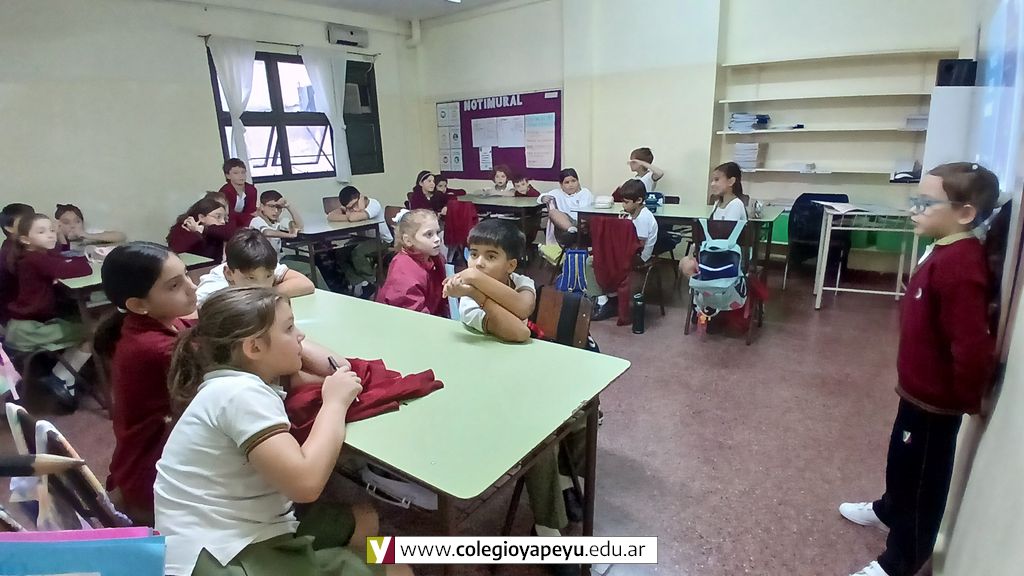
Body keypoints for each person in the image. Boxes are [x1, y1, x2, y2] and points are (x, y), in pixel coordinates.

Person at [155, 287, 410, 576]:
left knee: (365, 518)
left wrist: (290, 343)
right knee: (396, 566)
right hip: (223, 558)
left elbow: (337, 365)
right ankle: (413, 557)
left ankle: (376, 557)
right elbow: (306, 484)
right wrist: (335, 403)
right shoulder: (239, 394)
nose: (301, 335)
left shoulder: (234, 379)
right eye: (289, 328)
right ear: (254, 348)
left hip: (234, 534)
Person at [840, 162, 1000, 576]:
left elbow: (971, 345)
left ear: (965, 213)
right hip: (915, 390)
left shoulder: (962, 264)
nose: (915, 210)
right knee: (900, 460)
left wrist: (968, 399)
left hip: (936, 404)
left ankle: (901, 560)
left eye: (926, 203)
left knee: (923, 480)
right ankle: (889, 509)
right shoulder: (944, 248)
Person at [94, 242, 198, 526]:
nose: (192, 287)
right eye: (175, 285)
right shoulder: (155, 347)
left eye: (187, 274)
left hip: (144, 461)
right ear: (139, 305)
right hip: (154, 477)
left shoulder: (162, 323)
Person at [4, 213, 91, 410]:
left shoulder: (38, 255)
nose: (51, 235)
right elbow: (77, 269)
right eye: (41, 232)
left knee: (83, 323)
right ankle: (61, 376)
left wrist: (68, 257)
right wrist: (84, 261)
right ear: (25, 239)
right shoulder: (33, 259)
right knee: (93, 331)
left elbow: (62, 258)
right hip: (28, 331)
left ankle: (65, 377)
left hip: (28, 325)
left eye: (52, 230)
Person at [444, 219, 535, 343]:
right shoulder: (468, 300)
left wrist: (473, 275)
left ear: (511, 266)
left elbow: (523, 308)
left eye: (491, 257)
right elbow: (520, 333)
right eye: (474, 254)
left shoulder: (520, 281)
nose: (478, 263)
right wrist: (475, 294)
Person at [590, 180, 658, 321]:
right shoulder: (633, 214)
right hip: (631, 252)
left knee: (594, 262)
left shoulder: (644, 217)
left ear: (639, 200)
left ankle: (605, 301)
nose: (623, 205)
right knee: (601, 256)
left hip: (639, 257)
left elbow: (638, 246)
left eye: (626, 202)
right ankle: (610, 298)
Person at [195, 229, 313, 305]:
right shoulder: (212, 288)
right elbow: (195, 313)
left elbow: (306, 284)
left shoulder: (261, 263)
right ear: (229, 274)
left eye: (268, 276)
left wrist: (268, 293)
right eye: (251, 278)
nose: (262, 286)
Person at [678, 162, 749, 277]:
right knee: (685, 262)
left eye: (717, 180)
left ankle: (707, 285)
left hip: (728, 255)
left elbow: (725, 236)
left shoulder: (736, 204)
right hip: (716, 251)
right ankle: (706, 285)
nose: (712, 184)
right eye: (712, 180)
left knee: (688, 265)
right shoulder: (717, 204)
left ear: (731, 181)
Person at [376, 209, 448, 318]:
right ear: (408, 240)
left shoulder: (436, 258)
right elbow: (413, 315)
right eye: (429, 234)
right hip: (402, 322)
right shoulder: (403, 269)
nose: (437, 239)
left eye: (437, 233)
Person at [326, 185, 393, 299]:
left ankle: (372, 283)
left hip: (381, 240)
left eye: (355, 205)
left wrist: (349, 214)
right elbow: (330, 216)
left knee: (358, 253)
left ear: (361, 197)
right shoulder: (351, 209)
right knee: (340, 253)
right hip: (362, 239)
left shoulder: (373, 204)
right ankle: (360, 283)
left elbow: (353, 218)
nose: (354, 209)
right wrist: (349, 214)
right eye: (349, 208)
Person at [1, 203, 36, 326]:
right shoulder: (13, 252)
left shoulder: (14, 246)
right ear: (9, 228)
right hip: (19, 319)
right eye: (25, 221)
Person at [538, 168, 594, 245]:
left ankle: (574, 232)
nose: (571, 185)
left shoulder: (585, 192)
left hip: (581, 222)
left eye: (573, 181)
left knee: (585, 217)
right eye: (567, 182)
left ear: (578, 181)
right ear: (561, 185)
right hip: (564, 225)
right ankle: (572, 230)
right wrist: (543, 198)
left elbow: (585, 212)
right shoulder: (557, 193)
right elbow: (541, 196)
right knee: (553, 212)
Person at [166, 197, 232, 262]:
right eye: (218, 217)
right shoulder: (181, 228)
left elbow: (231, 234)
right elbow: (176, 251)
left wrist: (202, 229)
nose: (223, 222)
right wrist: (197, 233)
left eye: (224, 218)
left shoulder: (216, 231)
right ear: (201, 217)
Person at [249, 190, 303, 256]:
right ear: (262, 206)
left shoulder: (279, 221)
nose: (276, 211)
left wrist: (289, 206)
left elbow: (299, 226)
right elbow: (267, 232)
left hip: (278, 258)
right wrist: (291, 235)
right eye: (272, 206)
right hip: (261, 259)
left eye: (279, 207)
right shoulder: (256, 220)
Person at [53, 204, 126, 250]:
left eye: (77, 221)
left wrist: (87, 235)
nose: (73, 226)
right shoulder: (53, 237)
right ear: (58, 224)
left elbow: (121, 236)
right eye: (66, 222)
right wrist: (61, 236)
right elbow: (65, 254)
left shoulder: (87, 233)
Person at [217, 158, 258, 228]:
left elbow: (251, 210)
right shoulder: (225, 191)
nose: (241, 176)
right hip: (227, 222)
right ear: (228, 176)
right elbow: (228, 214)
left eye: (243, 172)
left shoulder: (251, 189)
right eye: (236, 173)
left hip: (246, 222)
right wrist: (248, 216)